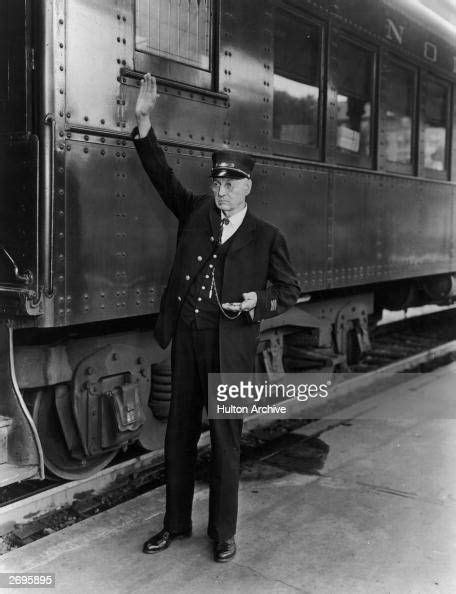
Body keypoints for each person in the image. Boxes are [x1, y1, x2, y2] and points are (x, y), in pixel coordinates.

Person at [133, 73, 300, 562]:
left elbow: (289, 290)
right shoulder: (195, 211)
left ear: (248, 186)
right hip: (187, 336)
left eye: (231, 184)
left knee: (226, 440)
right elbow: (162, 176)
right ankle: (175, 525)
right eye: (217, 182)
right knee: (178, 434)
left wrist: (257, 303)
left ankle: (223, 533)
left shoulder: (267, 236)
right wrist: (144, 122)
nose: (221, 191)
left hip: (230, 343)